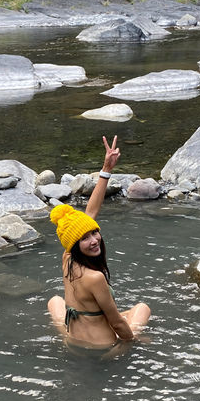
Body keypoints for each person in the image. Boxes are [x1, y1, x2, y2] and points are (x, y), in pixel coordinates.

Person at [47, 136, 151, 351]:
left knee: (54, 301)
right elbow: (117, 323)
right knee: (142, 308)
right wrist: (131, 344)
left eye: (95, 233)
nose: (94, 240)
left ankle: (73, 332)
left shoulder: (67, 257)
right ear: (76, 243)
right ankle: (117, 346)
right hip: (100, 344)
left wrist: (106, 170)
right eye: (86, 238)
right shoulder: (95, 277)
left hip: (72, 333)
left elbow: (90, 214)